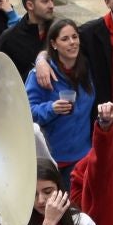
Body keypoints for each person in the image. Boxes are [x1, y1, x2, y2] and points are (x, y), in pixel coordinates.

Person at [27, 19, 97, 169]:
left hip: (83, 157)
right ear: (53, 44)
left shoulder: (88, 69)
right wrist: (52, 108)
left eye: (74, 37)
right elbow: (27, 113)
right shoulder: (40, 75)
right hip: (52, 160)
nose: (72, 42)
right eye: (65, 39)